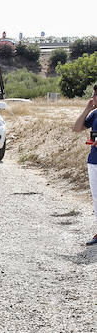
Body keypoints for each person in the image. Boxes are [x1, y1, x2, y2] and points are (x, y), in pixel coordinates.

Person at [73, 84, 97, 246]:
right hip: (94, 161)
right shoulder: (95, 113)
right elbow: (77, 128)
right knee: (96, 199)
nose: (92, 97)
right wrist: (87, 109)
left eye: (95, 95)